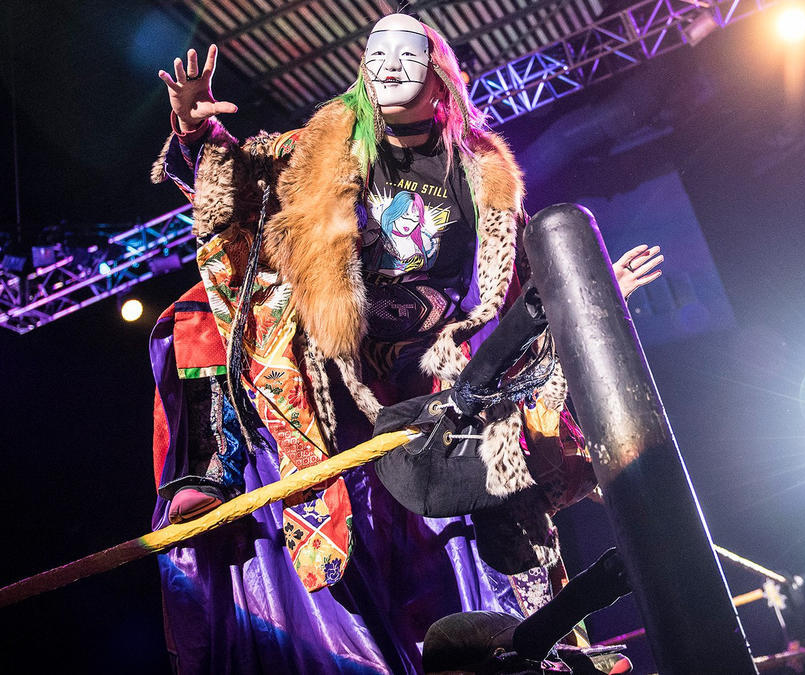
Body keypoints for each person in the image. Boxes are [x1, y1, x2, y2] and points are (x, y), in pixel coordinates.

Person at [149, 12, 662, 673]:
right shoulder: (321, 147)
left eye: (405, 52)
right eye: (376, 53)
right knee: (194, 311)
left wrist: (589, 289)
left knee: (507, 501)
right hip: (337, 359)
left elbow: (527, 292)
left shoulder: (484, 178)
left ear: (440, 76)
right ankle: (207, 465)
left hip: (442, 373)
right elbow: (238, 183)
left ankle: (542, 643)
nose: (387, 62)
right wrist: (200, 133)